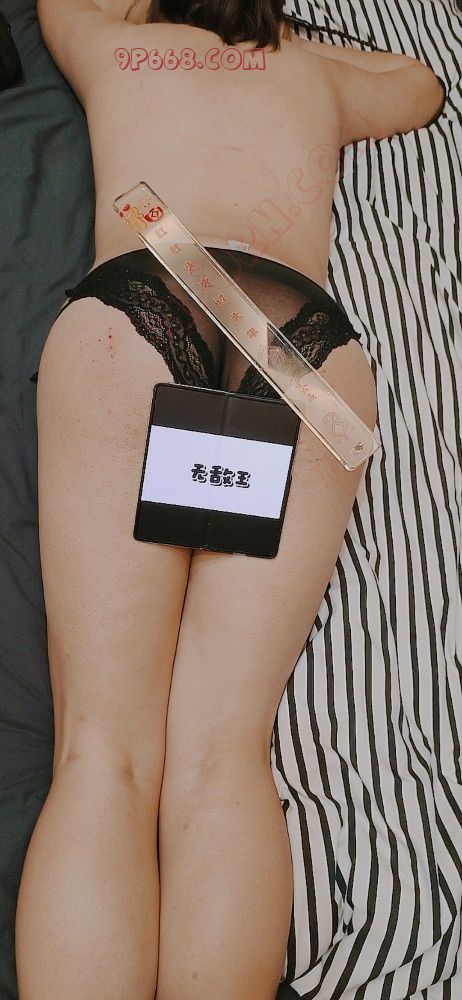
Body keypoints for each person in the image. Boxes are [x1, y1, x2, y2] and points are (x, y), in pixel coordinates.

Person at [15, 1, 445, 998]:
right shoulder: (315, 71)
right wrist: (292, 37)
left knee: (105, 756)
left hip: (149, 290)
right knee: (221, 754)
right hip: (299, 352)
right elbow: (422, 86)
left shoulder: (114, 41)